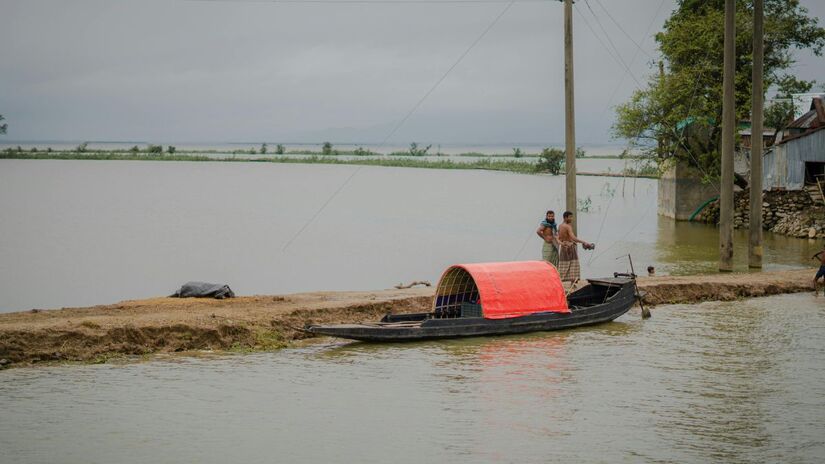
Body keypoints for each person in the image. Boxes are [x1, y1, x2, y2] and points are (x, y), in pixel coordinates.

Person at [557, 211, 594, 283]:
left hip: (563, 247)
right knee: (574, 265)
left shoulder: (560, 226)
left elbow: (559, 238)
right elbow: (573, 238)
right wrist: (584, 242)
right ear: (565, 217)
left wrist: (562, 243)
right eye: (570, 217)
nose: (571, 219)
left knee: (564, 266)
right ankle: (573, 283)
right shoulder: (568, 226)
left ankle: (562, 282)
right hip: (570, 247)